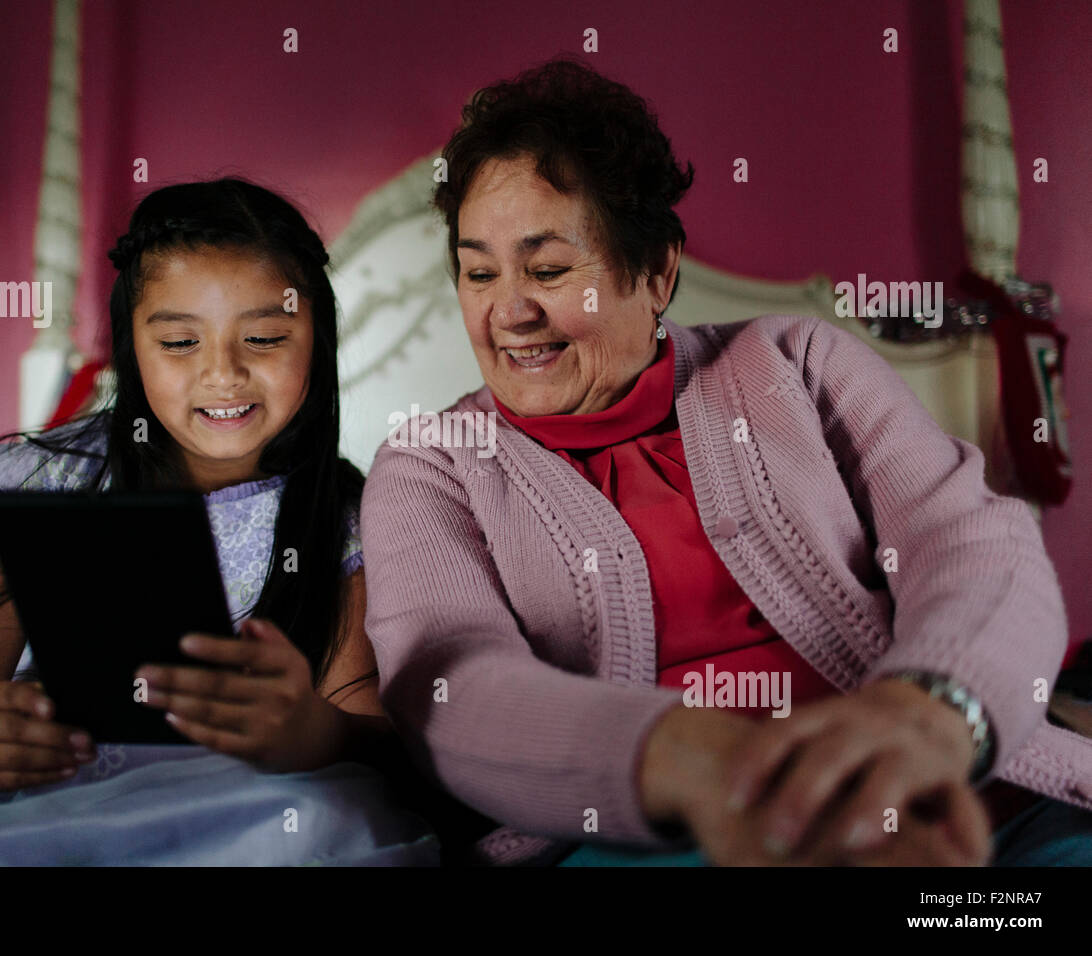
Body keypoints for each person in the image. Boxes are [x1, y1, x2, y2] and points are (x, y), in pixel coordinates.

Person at [358, 57, 1092, 866]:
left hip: (948, 792)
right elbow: (451, 686)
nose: (509, 312)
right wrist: (710, 769)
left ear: (657, 271)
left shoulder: (800, 365)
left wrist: (923, 722)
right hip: (647, 834)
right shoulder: (432, 465)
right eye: (478, 272)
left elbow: (970, 543)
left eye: (549, 270)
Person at [0, 177, 438, 865]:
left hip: (225, 801)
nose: (223, 373)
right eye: (180, 343)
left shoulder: (342, 518)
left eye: (264, 337)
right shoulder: (49, 480)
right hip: (49, 787)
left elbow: (365, 728)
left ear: (317, 339)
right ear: (133, 347)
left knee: (327, 825)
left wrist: (314, 732)